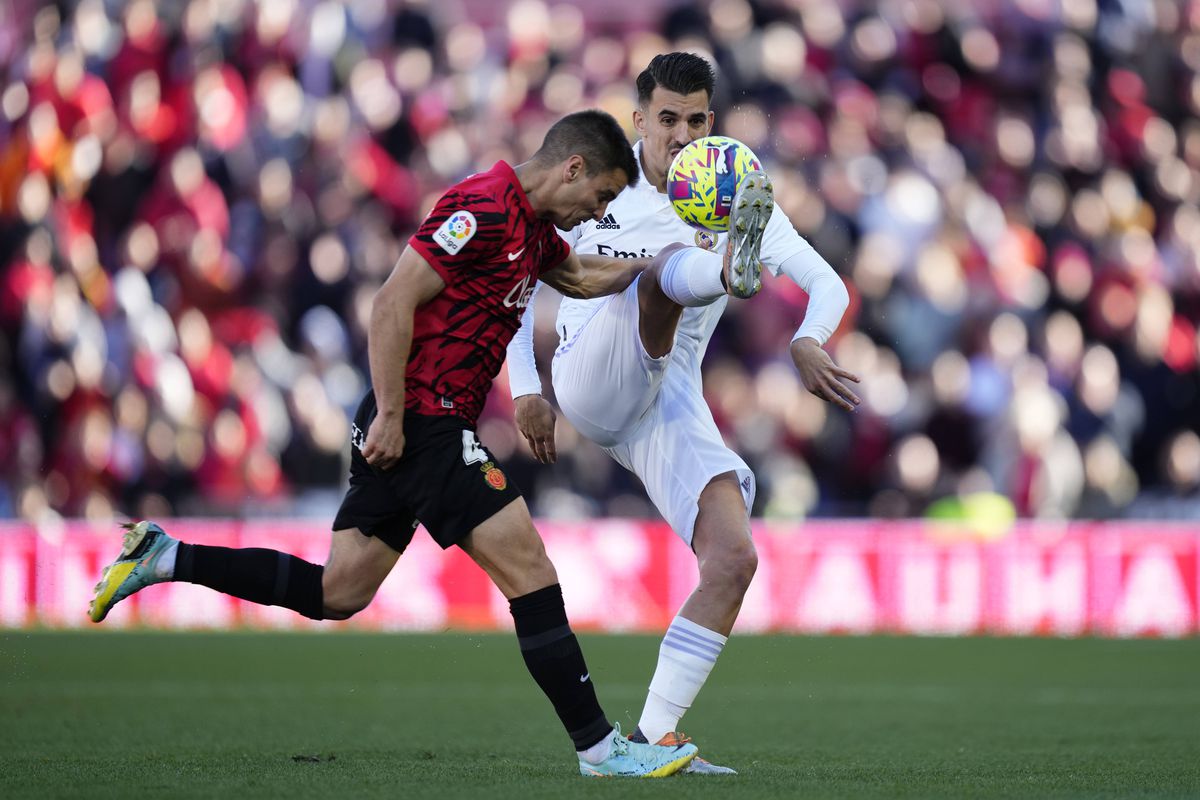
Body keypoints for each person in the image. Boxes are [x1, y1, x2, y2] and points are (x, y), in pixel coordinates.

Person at [88, 109, 702, 778]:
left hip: (422, 423)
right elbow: (391, 302)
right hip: (420, 420)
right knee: (529, 565)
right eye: (602, 195)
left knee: (340, 591)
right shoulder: (481, 205)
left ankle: (164, 555)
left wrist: (670, 266)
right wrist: (390, 413)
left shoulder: (535, 231)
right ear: (572, 168)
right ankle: (599, 749)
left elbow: (583, 276)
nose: (595, 212)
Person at [506, 53, 861, 774]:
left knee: (733, 557)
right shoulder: (603, 180)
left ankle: (654, 735)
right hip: (590, 371)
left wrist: (807, 336)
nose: (682, 134)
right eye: (667, 120)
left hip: (665, 396)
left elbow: (827, 285)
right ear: (640, 121)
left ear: (712, 120)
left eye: (696, 119)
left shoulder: (735, 186)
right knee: (656, 275)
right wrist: (523, 388)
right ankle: (727, 270)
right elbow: (516, 275)